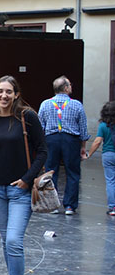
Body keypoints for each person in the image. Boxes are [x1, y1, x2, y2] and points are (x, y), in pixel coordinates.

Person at [0, 75, 47, 275]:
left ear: (16, 94)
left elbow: (42, 150)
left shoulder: (27, 116)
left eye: (8, 92)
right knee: (5, 242)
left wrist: (27, 179)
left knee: (13, 241)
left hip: (20, 190)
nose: (4, 96)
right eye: (0, 91)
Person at [38, 76, 90, 215]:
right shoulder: (77, 105)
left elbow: (39, 126)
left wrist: (40, 146)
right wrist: (83, 147)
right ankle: (70, 206)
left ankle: (53, 205)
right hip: (71, 140)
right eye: (70, 85)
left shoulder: (45, 104)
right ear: (66, 88)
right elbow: (83, 128)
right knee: (72, 172)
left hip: (51, 140)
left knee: (51, 171)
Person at [86, 101, 115, 216]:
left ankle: (112, 207)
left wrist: (89, 154)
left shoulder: (103, 125)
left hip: (108, 154)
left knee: (110, 181)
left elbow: (97, 141)